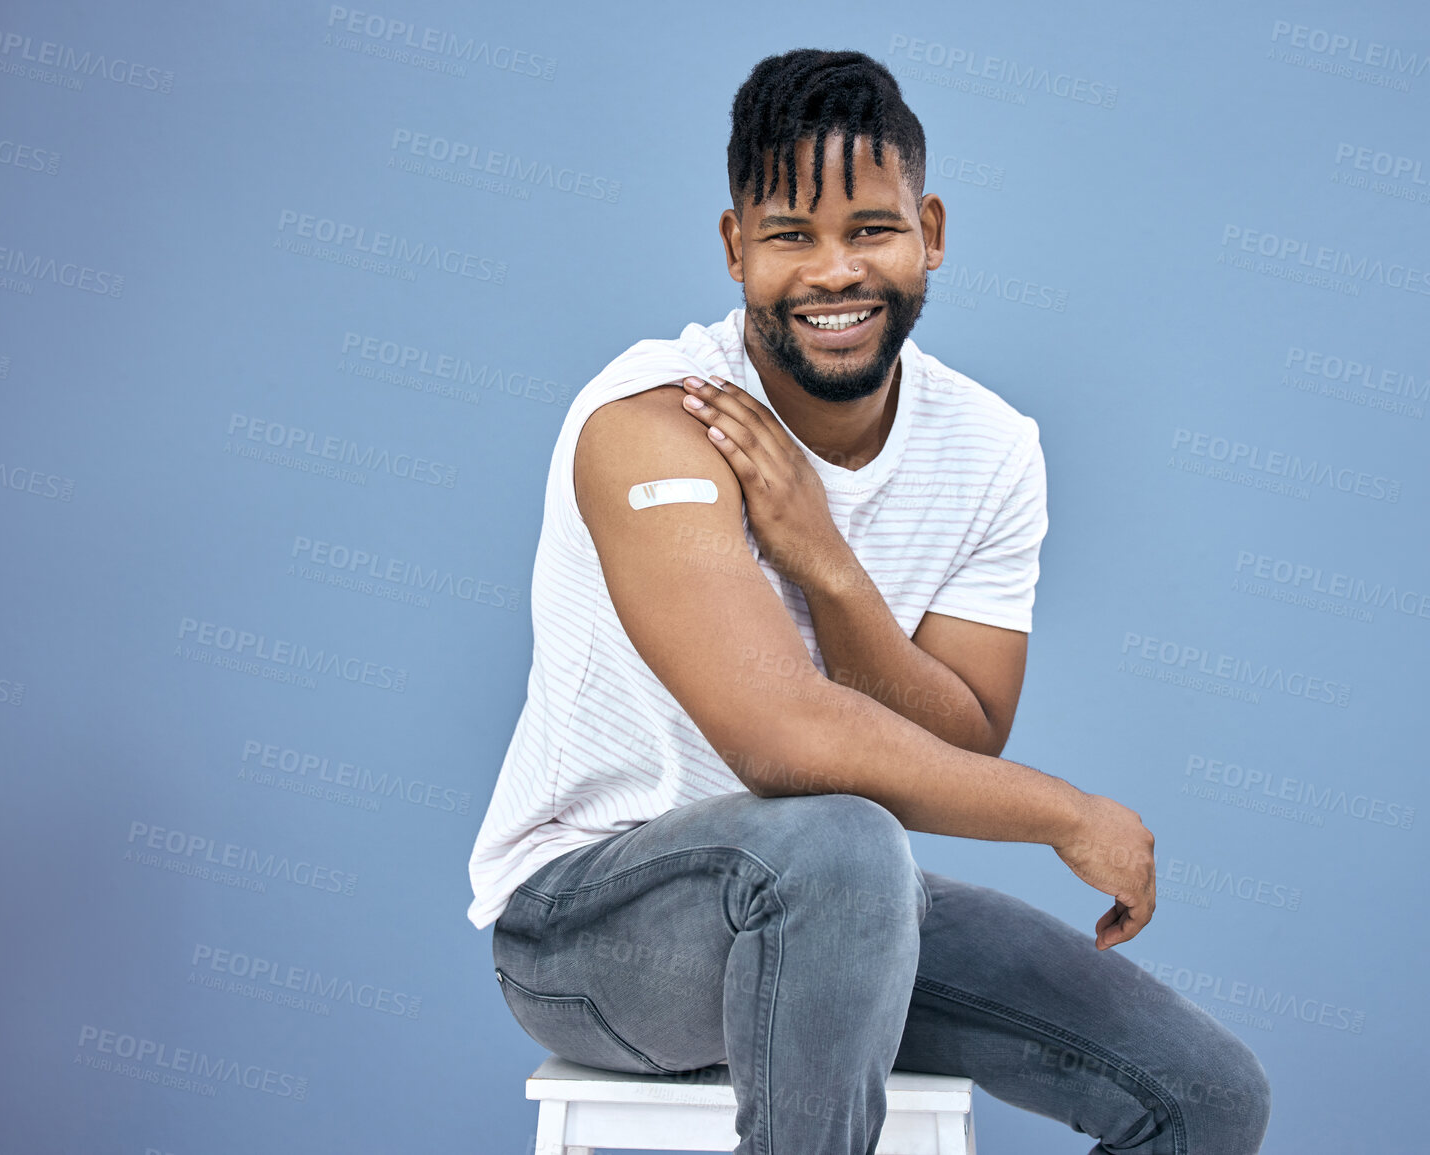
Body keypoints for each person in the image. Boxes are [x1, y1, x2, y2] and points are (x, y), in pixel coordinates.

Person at [468, 47, 1271, 1155]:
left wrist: (827, 565)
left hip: (844, 909)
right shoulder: (651, 422)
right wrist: (1069, 816)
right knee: (844, 843)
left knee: (1205, 1098)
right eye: (792, 234)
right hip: (588, 927)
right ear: (736, 246)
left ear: (929, 233)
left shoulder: (991, 449)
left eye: (870, 229)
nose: (834, 272)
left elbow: (962, 736)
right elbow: (777, 740)